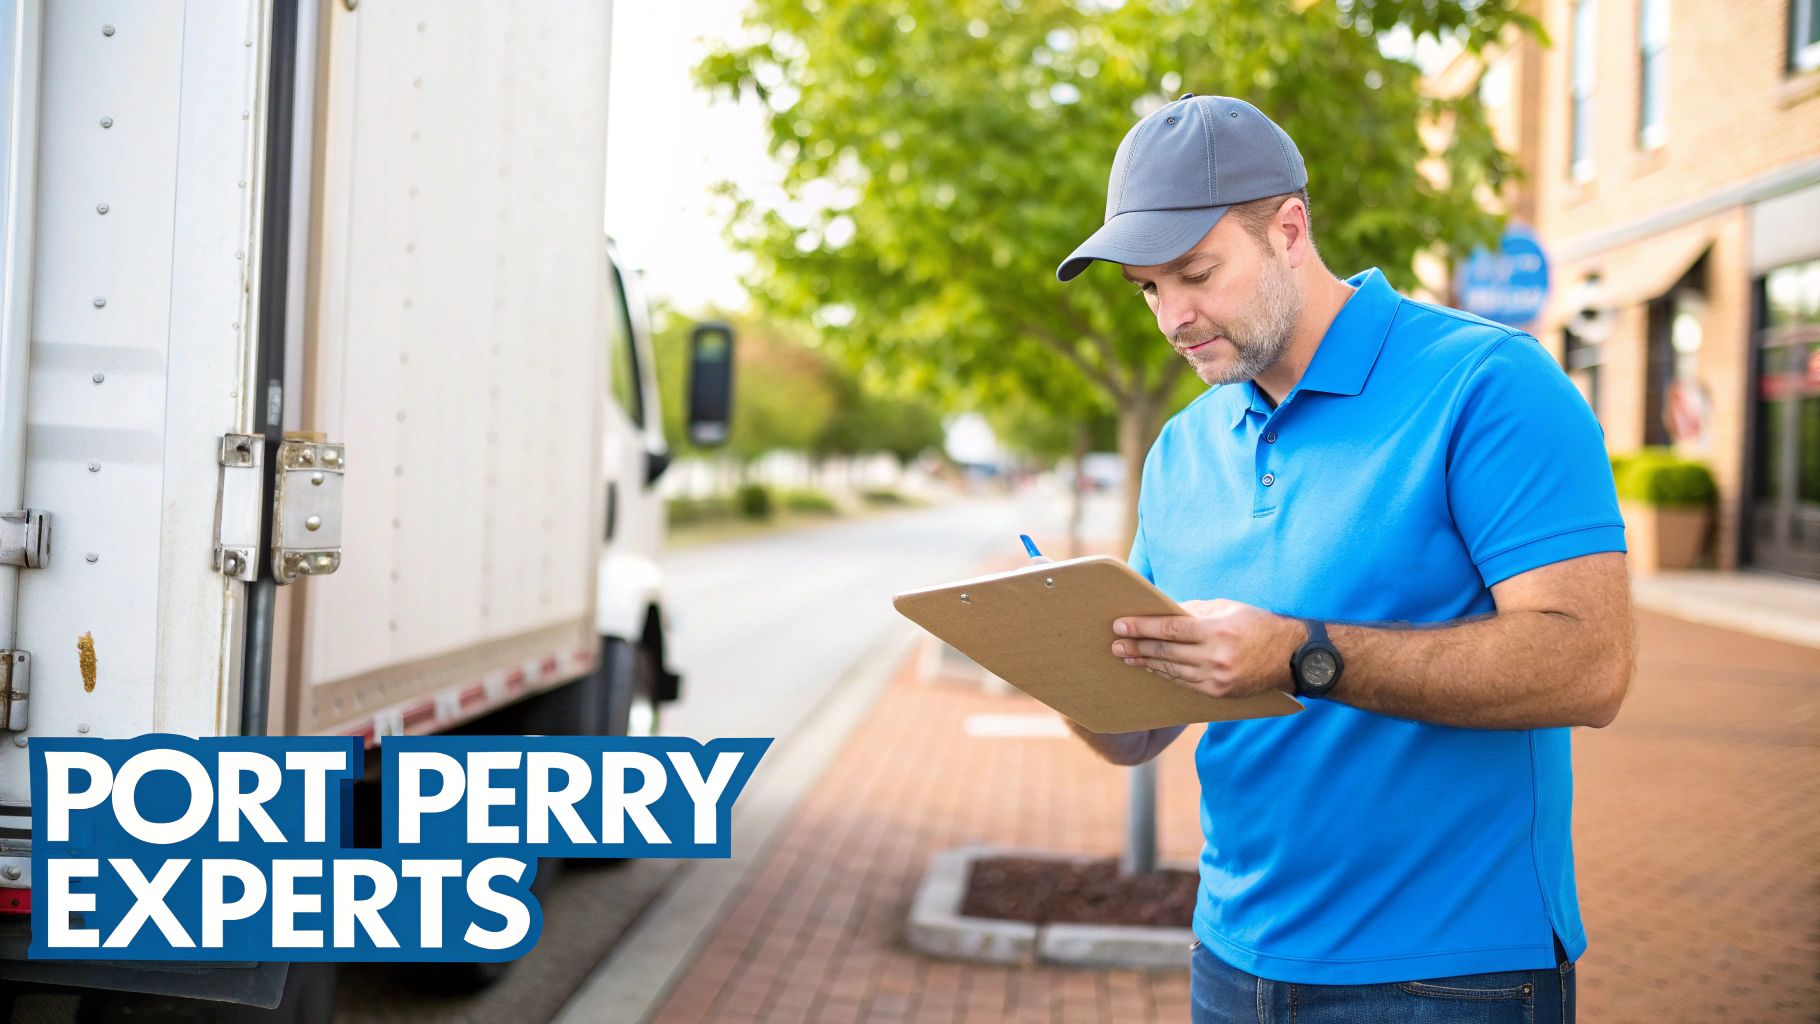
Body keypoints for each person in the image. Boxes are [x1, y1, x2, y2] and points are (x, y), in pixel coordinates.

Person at [1054, 94, 1633, 1024]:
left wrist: (1301, 655)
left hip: (1451, 973)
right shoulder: (1182, 447)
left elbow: (1590, 665)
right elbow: (1139, 732)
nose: (1173, 316)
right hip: (1232, 961)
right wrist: (1060, 660)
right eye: (1149, 288)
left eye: (1197, 273)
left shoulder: (1488, 384)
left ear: (1289, 229)